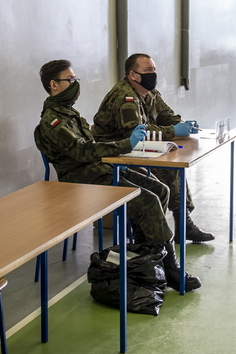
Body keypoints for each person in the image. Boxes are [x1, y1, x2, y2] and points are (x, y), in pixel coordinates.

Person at [34, 59, 201, 292]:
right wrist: (125, 144)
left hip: (99, 169)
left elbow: (91, 148)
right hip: (81, 181)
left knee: (160, 189)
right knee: (148, 200)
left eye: (75, 79)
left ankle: (145, 259)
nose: (75, 84)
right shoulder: (53, 121)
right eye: (70, 80)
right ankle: (170, 267)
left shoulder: (69, 113)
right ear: (53, 85)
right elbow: (83, 151)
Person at [92, 53, 214, 243]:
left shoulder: (148, 91)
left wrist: (183, 125)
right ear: (133, 75)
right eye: (148, 70)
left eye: (154, 69)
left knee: (176, 167)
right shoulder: (125, 97)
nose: (153, 74)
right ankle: (152, 235)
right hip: (116, 155)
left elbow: (166, 115)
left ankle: (183, 224)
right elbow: (137, 132)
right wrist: (172, 130)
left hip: (138, 152)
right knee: (169, 170)